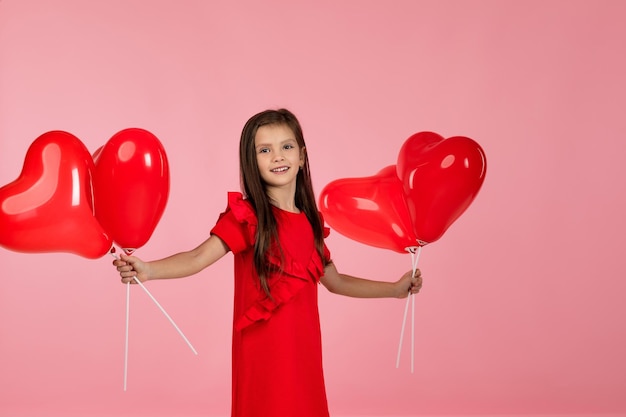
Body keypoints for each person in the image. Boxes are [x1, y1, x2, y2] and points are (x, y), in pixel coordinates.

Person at [113, 108, 423, 417]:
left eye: (286, 147)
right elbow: (197, 257)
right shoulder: (248, 217)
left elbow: (336, 281)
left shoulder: (311, 223)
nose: (278, 157)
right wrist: (149, 270)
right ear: (252, 161)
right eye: (265, 150)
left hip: (303, 354)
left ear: (302, 157)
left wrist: (395, 289)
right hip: (262, 354)